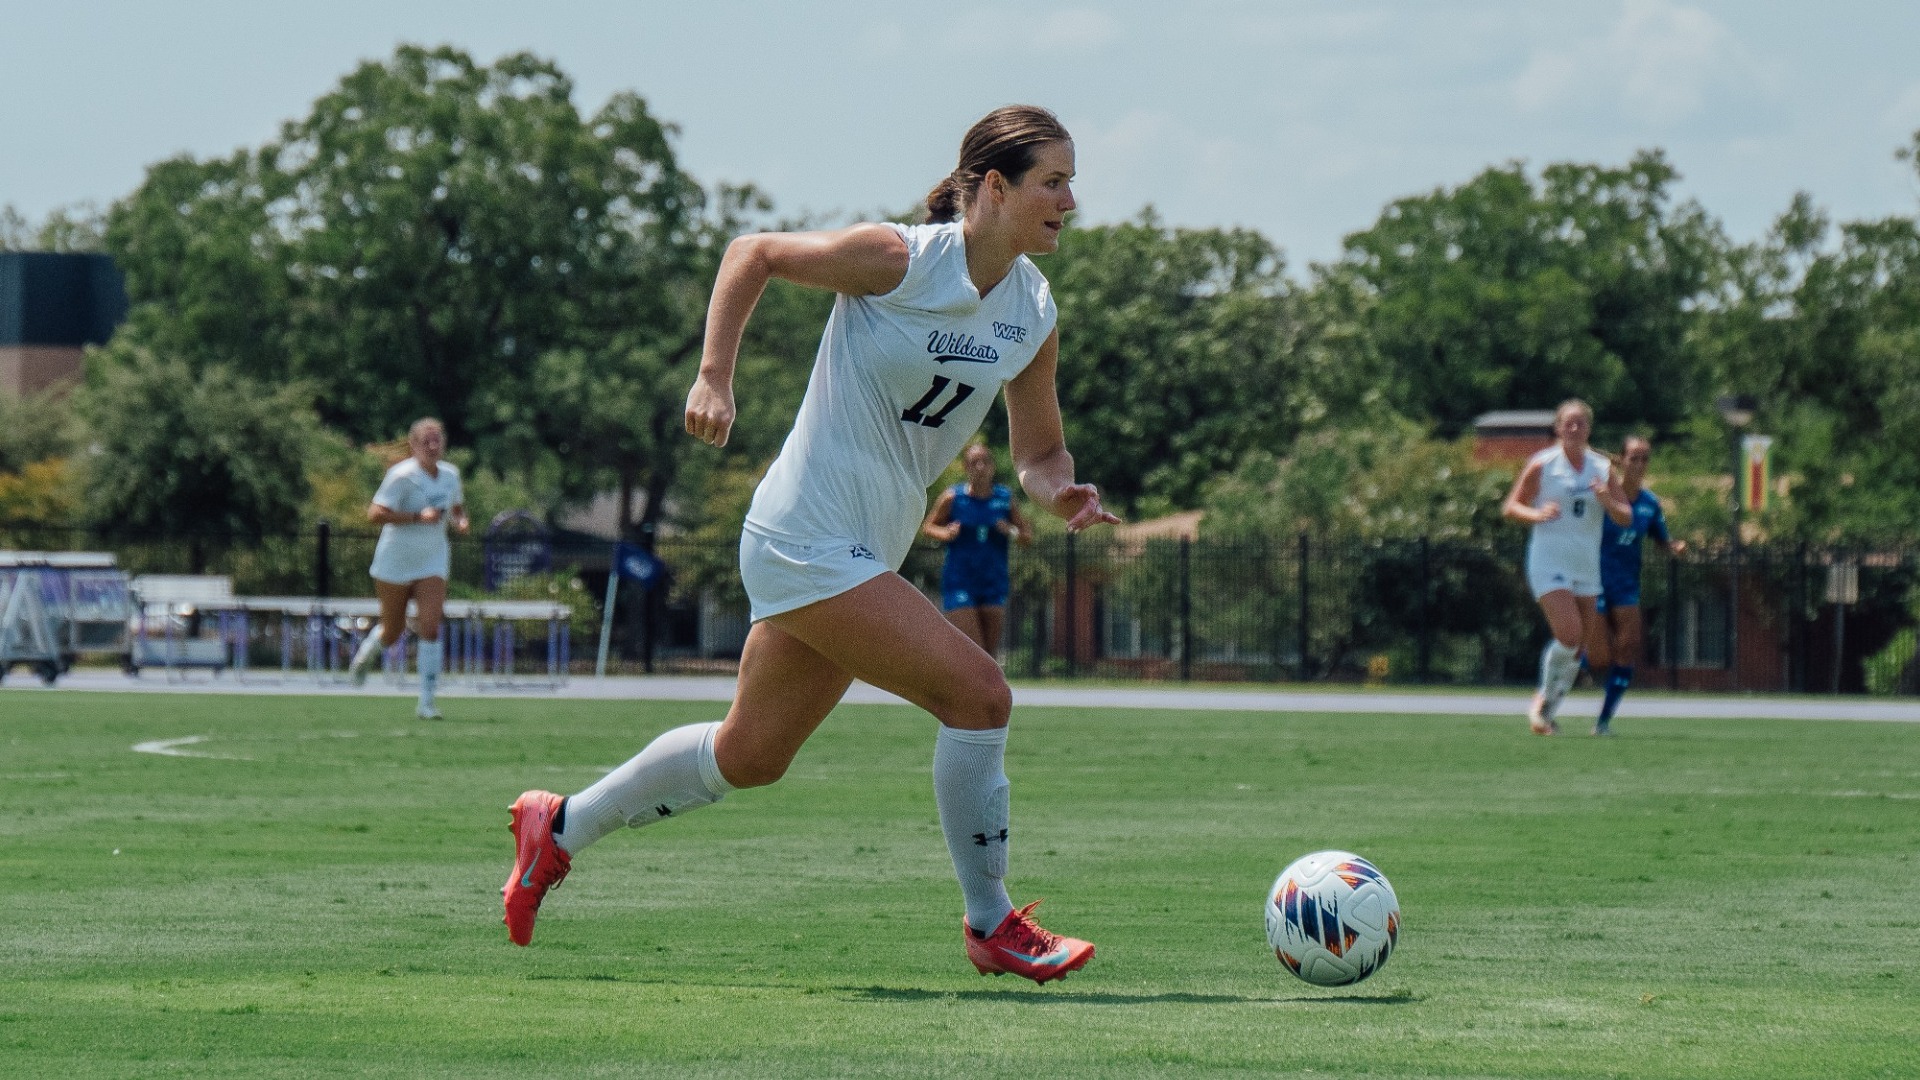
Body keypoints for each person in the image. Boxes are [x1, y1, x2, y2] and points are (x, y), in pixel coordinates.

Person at [501, 105, 1119, 984]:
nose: (1071, 199)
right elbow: (751, 251)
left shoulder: (1033, 309)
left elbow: (1038, 451)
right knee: (981, 697)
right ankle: (992, 923)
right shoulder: (900, 258)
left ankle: (556, 827)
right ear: (992, 186)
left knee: (748, 758)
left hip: (861, 554)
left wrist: (1062, 492)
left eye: (1070, 180)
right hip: (805, 536)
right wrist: (714, 377)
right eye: (1053, 180)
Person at [1501, 399, 1632, 735]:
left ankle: (1547, 715)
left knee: (1579, 649)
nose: (1574, 429)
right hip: (1548, 562)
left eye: (1581, 424)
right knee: (1569, 634)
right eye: (1568, 424)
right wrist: (1536, 514)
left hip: (1585, 566)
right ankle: (1542, 700)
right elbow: (1511, 506)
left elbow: (1625, 516)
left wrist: (1606, 500)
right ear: (1558, 428)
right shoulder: (1543, 464)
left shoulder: (1601, 469)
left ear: (1589, 429)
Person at [346, 417, 469, 720]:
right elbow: (375, 514)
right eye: (425, 441)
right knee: (393, 630)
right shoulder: (401, 476)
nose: (432, 446)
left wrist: (460, 521)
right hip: (396, 560)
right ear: (413, 445)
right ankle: (368, 653)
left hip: (432, 560)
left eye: (436, 440)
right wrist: (416, 517)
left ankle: (426, 703)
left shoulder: (451, 476)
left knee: (430, 627)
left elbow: (456, 509)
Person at [1585, 436, 1686, 736]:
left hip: (1626, 584)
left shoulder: (1650, 504)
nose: (1640, 465)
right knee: (1600, 657)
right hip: (1594, 580)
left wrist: (1673, 545)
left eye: (1645, 459)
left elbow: (1659, 539)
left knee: (1627, 648)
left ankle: (1603, 722)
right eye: (1634, 458)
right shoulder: (1601, 497)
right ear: (1621, 460)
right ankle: (1567, 658)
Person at [922, 440, 1034, 656]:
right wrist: (945, 533)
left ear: (992, 467)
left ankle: (969, 687)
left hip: (994, 581)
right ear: (966, 468)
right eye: (974, 463)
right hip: (960, 581)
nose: (980, 468)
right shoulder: (953, 497)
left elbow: (1026, 537)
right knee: (974, 651)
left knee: (988, 655)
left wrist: (1010, 531)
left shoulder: (1005, 499)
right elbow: (928, 526)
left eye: (984, 462)